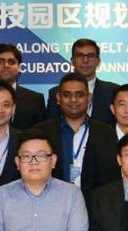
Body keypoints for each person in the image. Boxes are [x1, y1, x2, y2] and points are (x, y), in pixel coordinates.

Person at [31, 72, 118, 200]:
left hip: (94, 205)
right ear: (58, 98)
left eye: (80, 95)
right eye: (67, 95)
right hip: (50, 203)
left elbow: (110, 177)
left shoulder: (106, 133)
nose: (73, 100)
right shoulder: (41, 132)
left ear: (89, 97)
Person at [46, 38, 119, 125]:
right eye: (80, 56)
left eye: (90, 56)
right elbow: (51, 126)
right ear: (72, 61)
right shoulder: (55, 93)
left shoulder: (114, 91)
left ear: (98, 61)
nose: (85, 60)